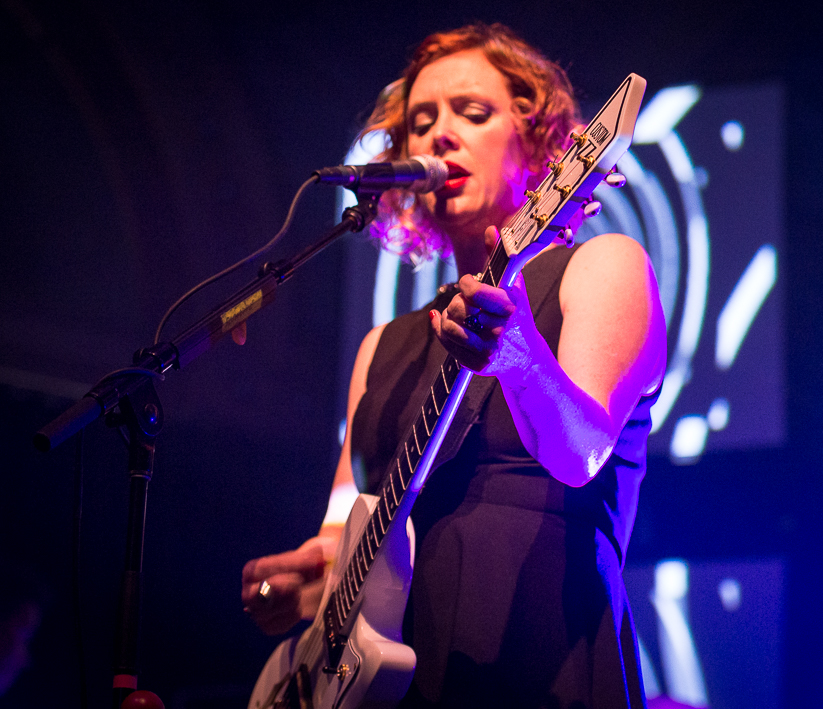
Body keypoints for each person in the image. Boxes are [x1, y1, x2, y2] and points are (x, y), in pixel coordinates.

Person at [242, 23, 666, 708]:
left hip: (540, 654)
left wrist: (523, 363)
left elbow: (582, 453)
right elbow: (345, 523)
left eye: (472, 112)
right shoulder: (382, 345)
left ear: (536, 136)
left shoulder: (603, 266)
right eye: (420, 121)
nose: (439, 134)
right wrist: (308, 577)